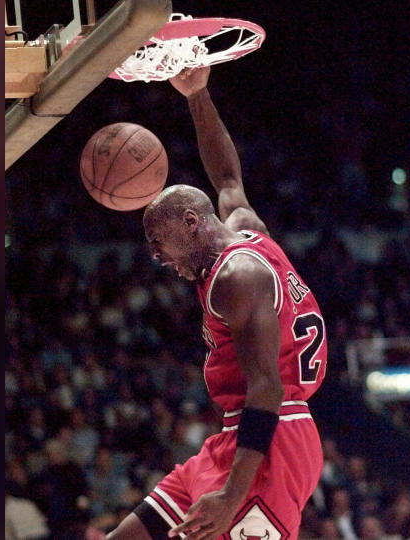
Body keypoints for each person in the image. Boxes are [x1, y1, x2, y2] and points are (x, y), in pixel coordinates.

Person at [106, 66, 328, 540]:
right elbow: (226, 175)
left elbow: (266, 388)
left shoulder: (235, 277)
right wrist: (197, 94)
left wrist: (231, 496)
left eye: (157, 241)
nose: (155, 255)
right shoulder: (246, 228)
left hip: (271, 441)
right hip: (237, 435)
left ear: (190, 223)